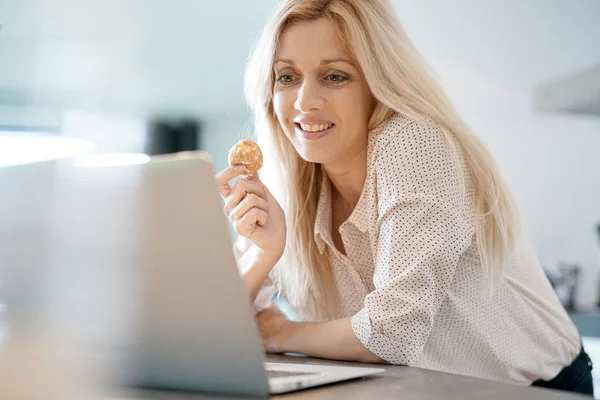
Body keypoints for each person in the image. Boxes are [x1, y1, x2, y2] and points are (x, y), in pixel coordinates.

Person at [215, 0, 593, 395]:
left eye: (334, 76)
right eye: (287, 77)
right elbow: (217, 331)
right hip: (420, 387)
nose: (305, 101)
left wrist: (282, 334)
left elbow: (393, 332)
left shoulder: (415, 144)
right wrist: (263, 255)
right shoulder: (283, 181)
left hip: (537, 389)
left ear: (378, 82)